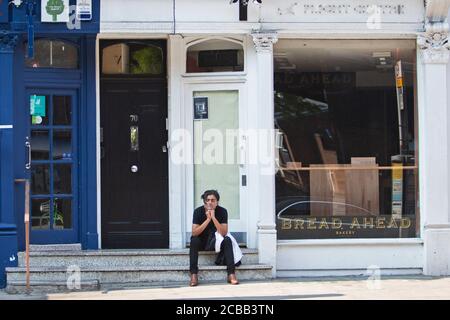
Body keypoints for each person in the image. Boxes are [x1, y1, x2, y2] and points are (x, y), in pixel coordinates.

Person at [189, 190, 239, 286]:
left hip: (216, 242)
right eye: (207, 200)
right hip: (202, 242)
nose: (210, 202)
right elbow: (194, 233)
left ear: (217, 202)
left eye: (213, 200)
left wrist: (214, 218)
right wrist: (208, 219)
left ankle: (231, 274)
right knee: (194, 240)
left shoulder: (222, 211)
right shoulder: (198, 211)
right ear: (204, 201)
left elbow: (224, 233)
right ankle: (194, 274)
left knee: (227, 240)